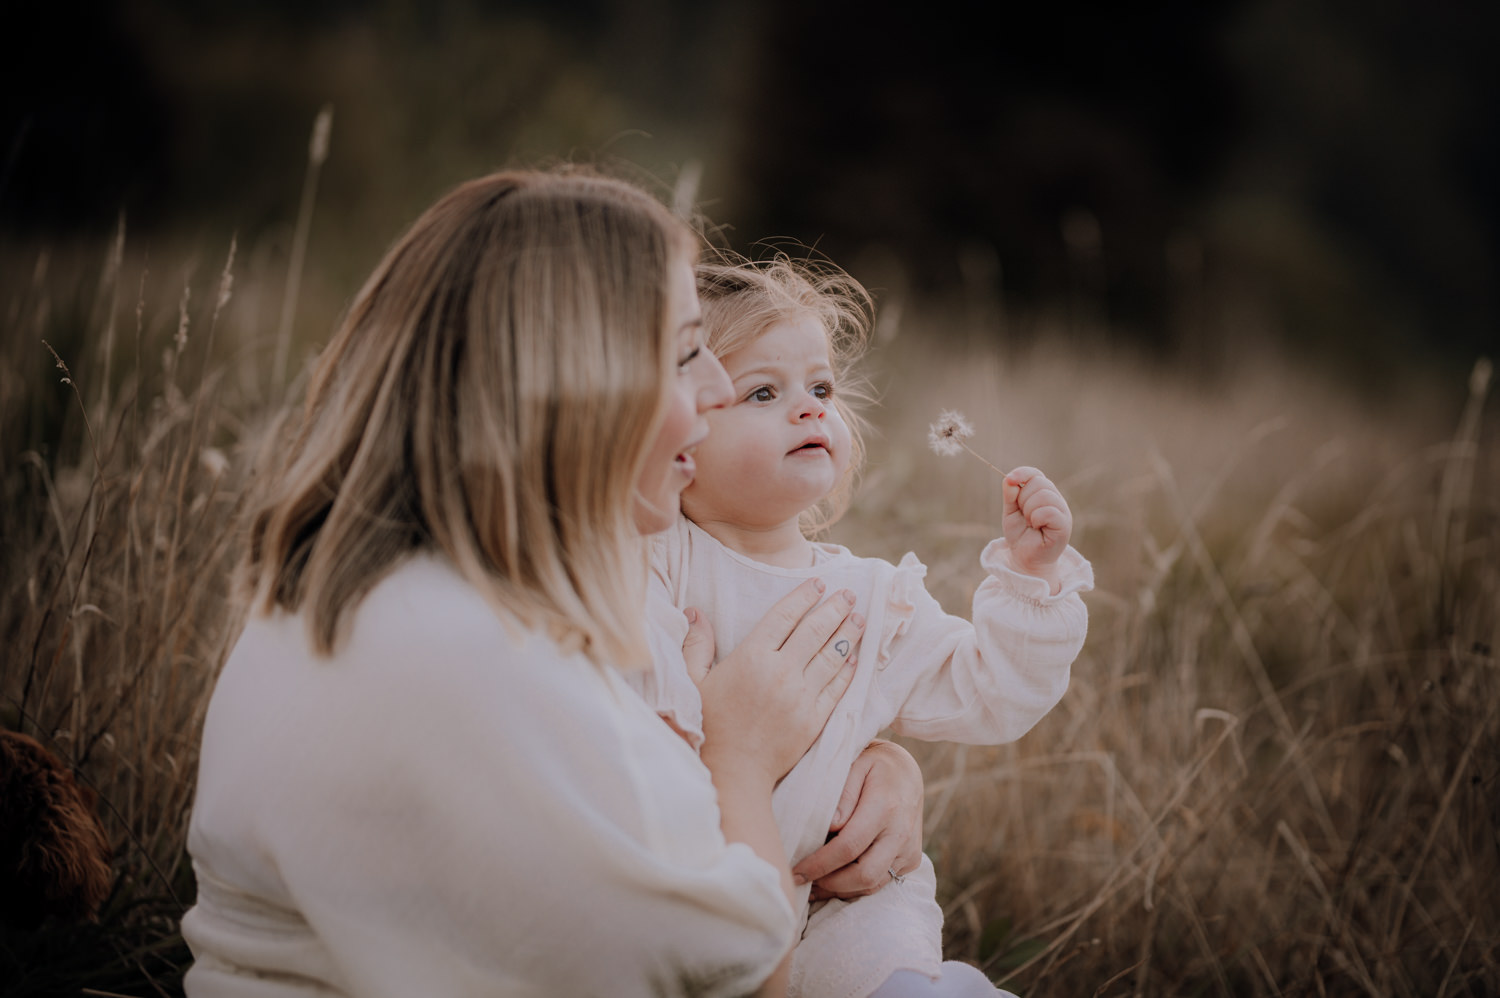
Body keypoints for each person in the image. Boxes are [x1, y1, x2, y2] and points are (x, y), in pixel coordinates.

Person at [180, 169, 925, 998]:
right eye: (685, 354)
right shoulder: (465, 650)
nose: (715, 390)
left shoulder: (409, 596)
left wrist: (866, 765)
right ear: (574, 384)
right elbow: (741, 979)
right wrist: (743, 759)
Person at [629, 254, 1095, 998]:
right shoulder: (656, 561)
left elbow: (991, 693)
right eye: (761, 392)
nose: (811, 408)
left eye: (820, 388)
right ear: (678, 431)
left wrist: (1029, 580)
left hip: (844, 903)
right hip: (699, 895)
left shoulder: (872, 600)